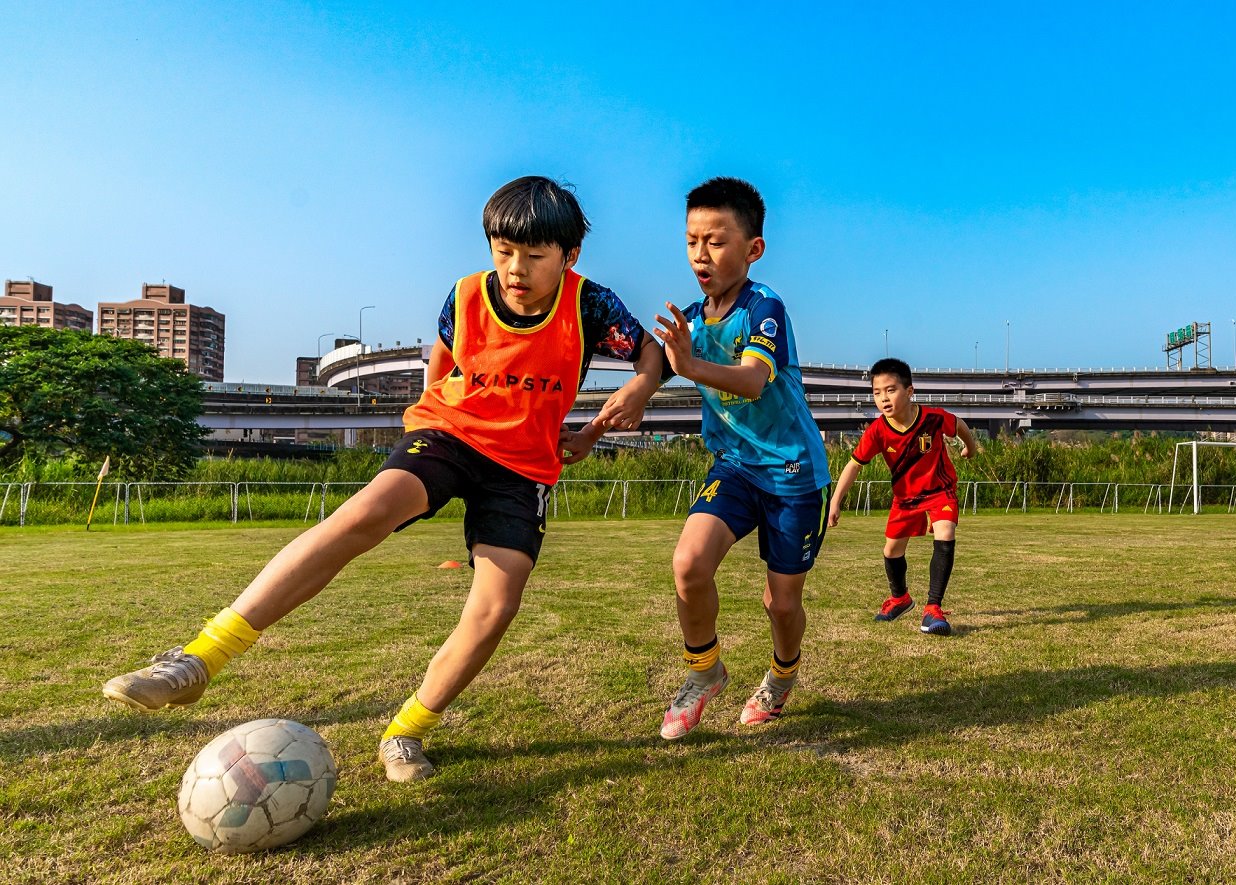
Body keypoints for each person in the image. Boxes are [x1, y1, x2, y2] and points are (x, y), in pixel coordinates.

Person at [102, 176, 665, 781]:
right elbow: (444, 359)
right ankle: (198, 660)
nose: (514, 269)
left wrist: (634, 391)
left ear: (569, 255)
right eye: (502, 251)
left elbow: (649, 355)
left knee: (497, 605)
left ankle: (407, 732)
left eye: (533, 256)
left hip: (522, 466)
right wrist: (425, 418)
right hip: (451, 436)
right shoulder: (466, 295)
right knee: (362, 515)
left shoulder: (592, 305)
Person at [649, 177, 831, 739]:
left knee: (780, 604)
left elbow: (752, 381)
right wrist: (592, 430)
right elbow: (647, 378)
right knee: (689, 565)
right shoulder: (691, 321)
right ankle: (705, 672)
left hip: (793, 476)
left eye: (716, 241)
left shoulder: (764, 307)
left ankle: (782, 674)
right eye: (691, 241)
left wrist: (689, 367)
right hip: (733, 466)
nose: (700, 255)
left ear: (753, 249)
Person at [828, 357, 978, 635]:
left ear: (910, 392)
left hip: (939, 491)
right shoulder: (877, 431)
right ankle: (900, 599)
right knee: (892, 551)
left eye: (891, 390)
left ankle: (933, 610)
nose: (883, 398)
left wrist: (969, 447)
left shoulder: (932, 418)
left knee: (945, 531)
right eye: (876, 392)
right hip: (905, 499)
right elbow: (853, 465)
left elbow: (959, 425)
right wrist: (835, 502)